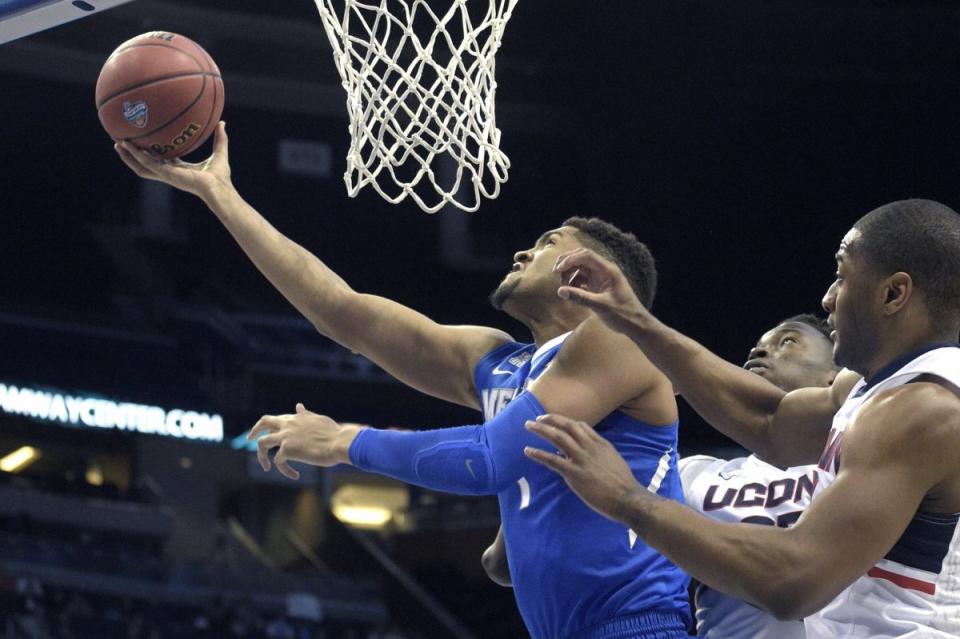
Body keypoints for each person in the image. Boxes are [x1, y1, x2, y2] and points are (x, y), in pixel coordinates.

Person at [114, 126, 691, 639]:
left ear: (589, 276)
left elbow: (490, 459)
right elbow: (343, 313)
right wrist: (220, 195)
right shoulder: (498, 361)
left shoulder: (623, 341)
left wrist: (344, 442)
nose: (523, 249)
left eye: (546, 245)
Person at [521, 198, 960, 637]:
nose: (828, 297)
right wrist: (631, 318)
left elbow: (793, 582)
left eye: (842, 276)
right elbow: (769, 419)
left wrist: (624, 497)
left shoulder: (925, 409)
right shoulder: (872, 389)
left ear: (893, 294)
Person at [482, 314, 840, 639]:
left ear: (836, 377)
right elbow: (504, 564)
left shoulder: (865, 455)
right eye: (758, 345)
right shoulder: (691, 473)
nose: (760, 351)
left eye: (787, 341)